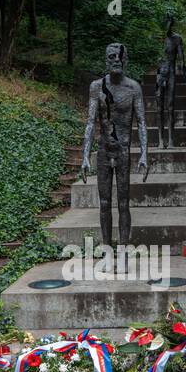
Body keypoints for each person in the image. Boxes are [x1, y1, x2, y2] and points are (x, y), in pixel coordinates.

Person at [80, 43, 148, 246]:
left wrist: (145, 153)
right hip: (104, 149)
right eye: (111, 57)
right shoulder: (96, 87)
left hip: (123, 150)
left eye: (119, 56)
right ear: (106, 60)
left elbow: (142, 122)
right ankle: (107, 247)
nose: (116, 60)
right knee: (104, 203)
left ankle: (125, 248)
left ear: (125, 59)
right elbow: (91, 122)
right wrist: (85, 155)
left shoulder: (133, 88)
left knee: (124, 203)